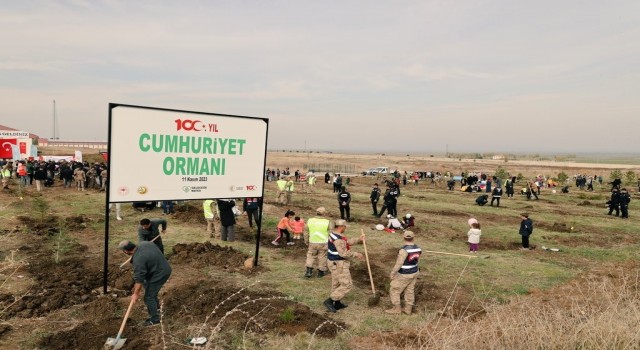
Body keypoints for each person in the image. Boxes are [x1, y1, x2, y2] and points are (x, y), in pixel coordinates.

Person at [118, 240, 172, 326]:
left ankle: (155, 319)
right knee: (148, 286)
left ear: (126, 251)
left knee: (148, 297)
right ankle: (156, 308)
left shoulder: (138, 261)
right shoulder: (145, 243)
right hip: (162, 267)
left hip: (160, 274)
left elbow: (139, 280)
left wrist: (135, 294)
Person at [323, 219, 365, 313]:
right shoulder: (338, 239)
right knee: (347, 285)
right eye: (345, 227)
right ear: (341, 227)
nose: (345, 228)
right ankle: (330, 301)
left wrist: (358, 239)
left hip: (333, 262)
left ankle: (337, 303)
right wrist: (356, 254)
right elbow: (343, 253)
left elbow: (346, 242)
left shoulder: (333, 234)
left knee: (337, 283)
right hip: (339, 264)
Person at [386, 230, 421, 315]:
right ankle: (408, 309)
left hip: (405, 273)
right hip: (414, 272)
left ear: (404, 238)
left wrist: (393, 273)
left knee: (394, 289)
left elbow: (399, 263)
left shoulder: (403, 250)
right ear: (413, 238)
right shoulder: (418, 248)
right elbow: (417, 260)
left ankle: (397, 309)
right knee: (410, 290)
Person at [304, 207, 330, 278]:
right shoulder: (327, 222)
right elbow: (330, 233)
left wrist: (306, 241)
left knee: (310, 256)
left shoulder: (310, 220)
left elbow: (306, 232)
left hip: (312, 242)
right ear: (324, 213)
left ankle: (309, 271)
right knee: (322, 257)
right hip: (323, 243)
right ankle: (320, 272)